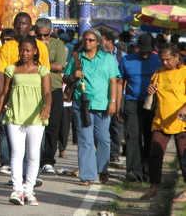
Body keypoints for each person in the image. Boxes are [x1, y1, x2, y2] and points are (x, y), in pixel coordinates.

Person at [0, 36, 51, 206]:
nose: (24, 53)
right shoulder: (12, 69)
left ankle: (29, 190)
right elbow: (3, 94)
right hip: (14, 116)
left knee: (33, 155)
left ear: (34, 52)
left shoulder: (42, 70)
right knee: (17, 154)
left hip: (35, 118)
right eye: (21, 50)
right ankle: (17, 190)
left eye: (27, 50)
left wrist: (47, 107)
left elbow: (47, 93)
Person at [63, 28, 120, 185]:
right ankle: (87, 175)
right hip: (82, 104)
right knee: (85, 140)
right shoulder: (76, 58)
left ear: (98, 42)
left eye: (91, 40)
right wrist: (73, 76)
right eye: (85, 40)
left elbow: (113, 81)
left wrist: (113, 102)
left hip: (102, 104)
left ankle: (102, 169)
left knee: (103, 139)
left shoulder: (107, 59)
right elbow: (66, 79)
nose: (87, 43)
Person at [141, 45, 186, 201]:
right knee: (155, 154)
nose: (165, 62)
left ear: (176, 57)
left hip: (181, 121)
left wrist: (184, 110)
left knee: (183, 155)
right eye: (162, 60)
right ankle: (154, 187)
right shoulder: (158, 74)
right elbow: (149, 102)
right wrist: (150, 93)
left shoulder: (184, 72)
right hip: (161, 120)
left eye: (168, 59)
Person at [118, 33, 161, 182]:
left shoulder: (158, 61)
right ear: (137, 48)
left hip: (152, 104)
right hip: (132, 102)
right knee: (132, 137)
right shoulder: (127, 60)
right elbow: (120, 82)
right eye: (142, 51)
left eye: (148, 51)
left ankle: (148, 170)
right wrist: (118, 104)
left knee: (150, 137)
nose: (145, 54)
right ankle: (133, 171)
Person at [36, 18, 68, 175]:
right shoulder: (31, 44)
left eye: (45, 35)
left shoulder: (58, 45)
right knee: (35, 126)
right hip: (35, 88)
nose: (42, 39)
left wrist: (40, 61)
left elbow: (60, 66)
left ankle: (48, 160)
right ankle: (34, 158)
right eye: (39, 35)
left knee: (52, 125)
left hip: (54, 87)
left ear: (51, 31)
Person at [101, 29, 125, 165]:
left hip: (120, 93)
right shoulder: (101, 56)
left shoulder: (123, 56)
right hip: (104, 93)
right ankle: (104, 152)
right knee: (104, 124)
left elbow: (123, 79)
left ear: (109, 42)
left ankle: (114, 153)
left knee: (116, 123)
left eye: (102, 40)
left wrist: (118, 99)